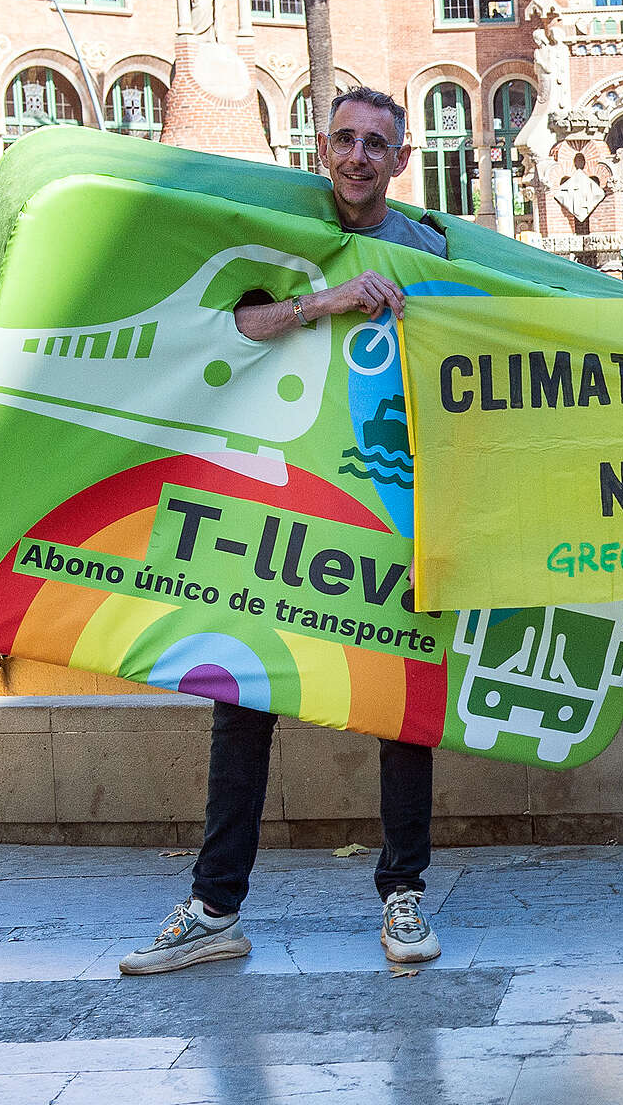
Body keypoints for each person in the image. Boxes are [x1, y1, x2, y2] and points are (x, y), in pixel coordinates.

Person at [122, 87, 452, 975]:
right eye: (343, 139)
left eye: (374, 143)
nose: (356, 156)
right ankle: (215, 906)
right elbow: (233, 323)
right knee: (243, 699)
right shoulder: (280, 231)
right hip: (274, 499)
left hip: (386, 501)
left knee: (402, 706)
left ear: (400, 157)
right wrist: (328, 301)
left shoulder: (426, 248)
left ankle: (405, 898)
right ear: (322, 148)